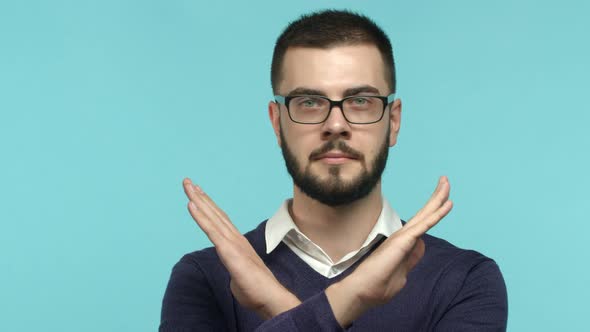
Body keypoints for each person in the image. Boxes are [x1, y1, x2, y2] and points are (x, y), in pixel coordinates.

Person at [159, 9, 508, 331]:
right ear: (277, 123)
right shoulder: (206, 279)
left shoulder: (464, 280)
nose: (336, 124)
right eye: (309, 102)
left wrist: (276, 304)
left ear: (394, 121)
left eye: (360, 101)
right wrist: (346, 300)